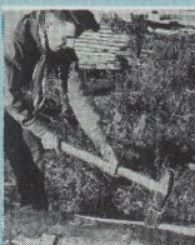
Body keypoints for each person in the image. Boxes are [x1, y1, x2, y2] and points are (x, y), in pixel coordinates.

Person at [5, 10, 118, 211]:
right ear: (49, 25)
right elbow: (8, 96)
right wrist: (43, 131)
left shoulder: (59, 44)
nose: (70, 45)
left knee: (32, 156)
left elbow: (78, 98)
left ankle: (34, 224)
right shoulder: (12, 37)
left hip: (12, 102)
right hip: (6, 96)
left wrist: (103, 144)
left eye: (73, 39)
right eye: (67, 38)